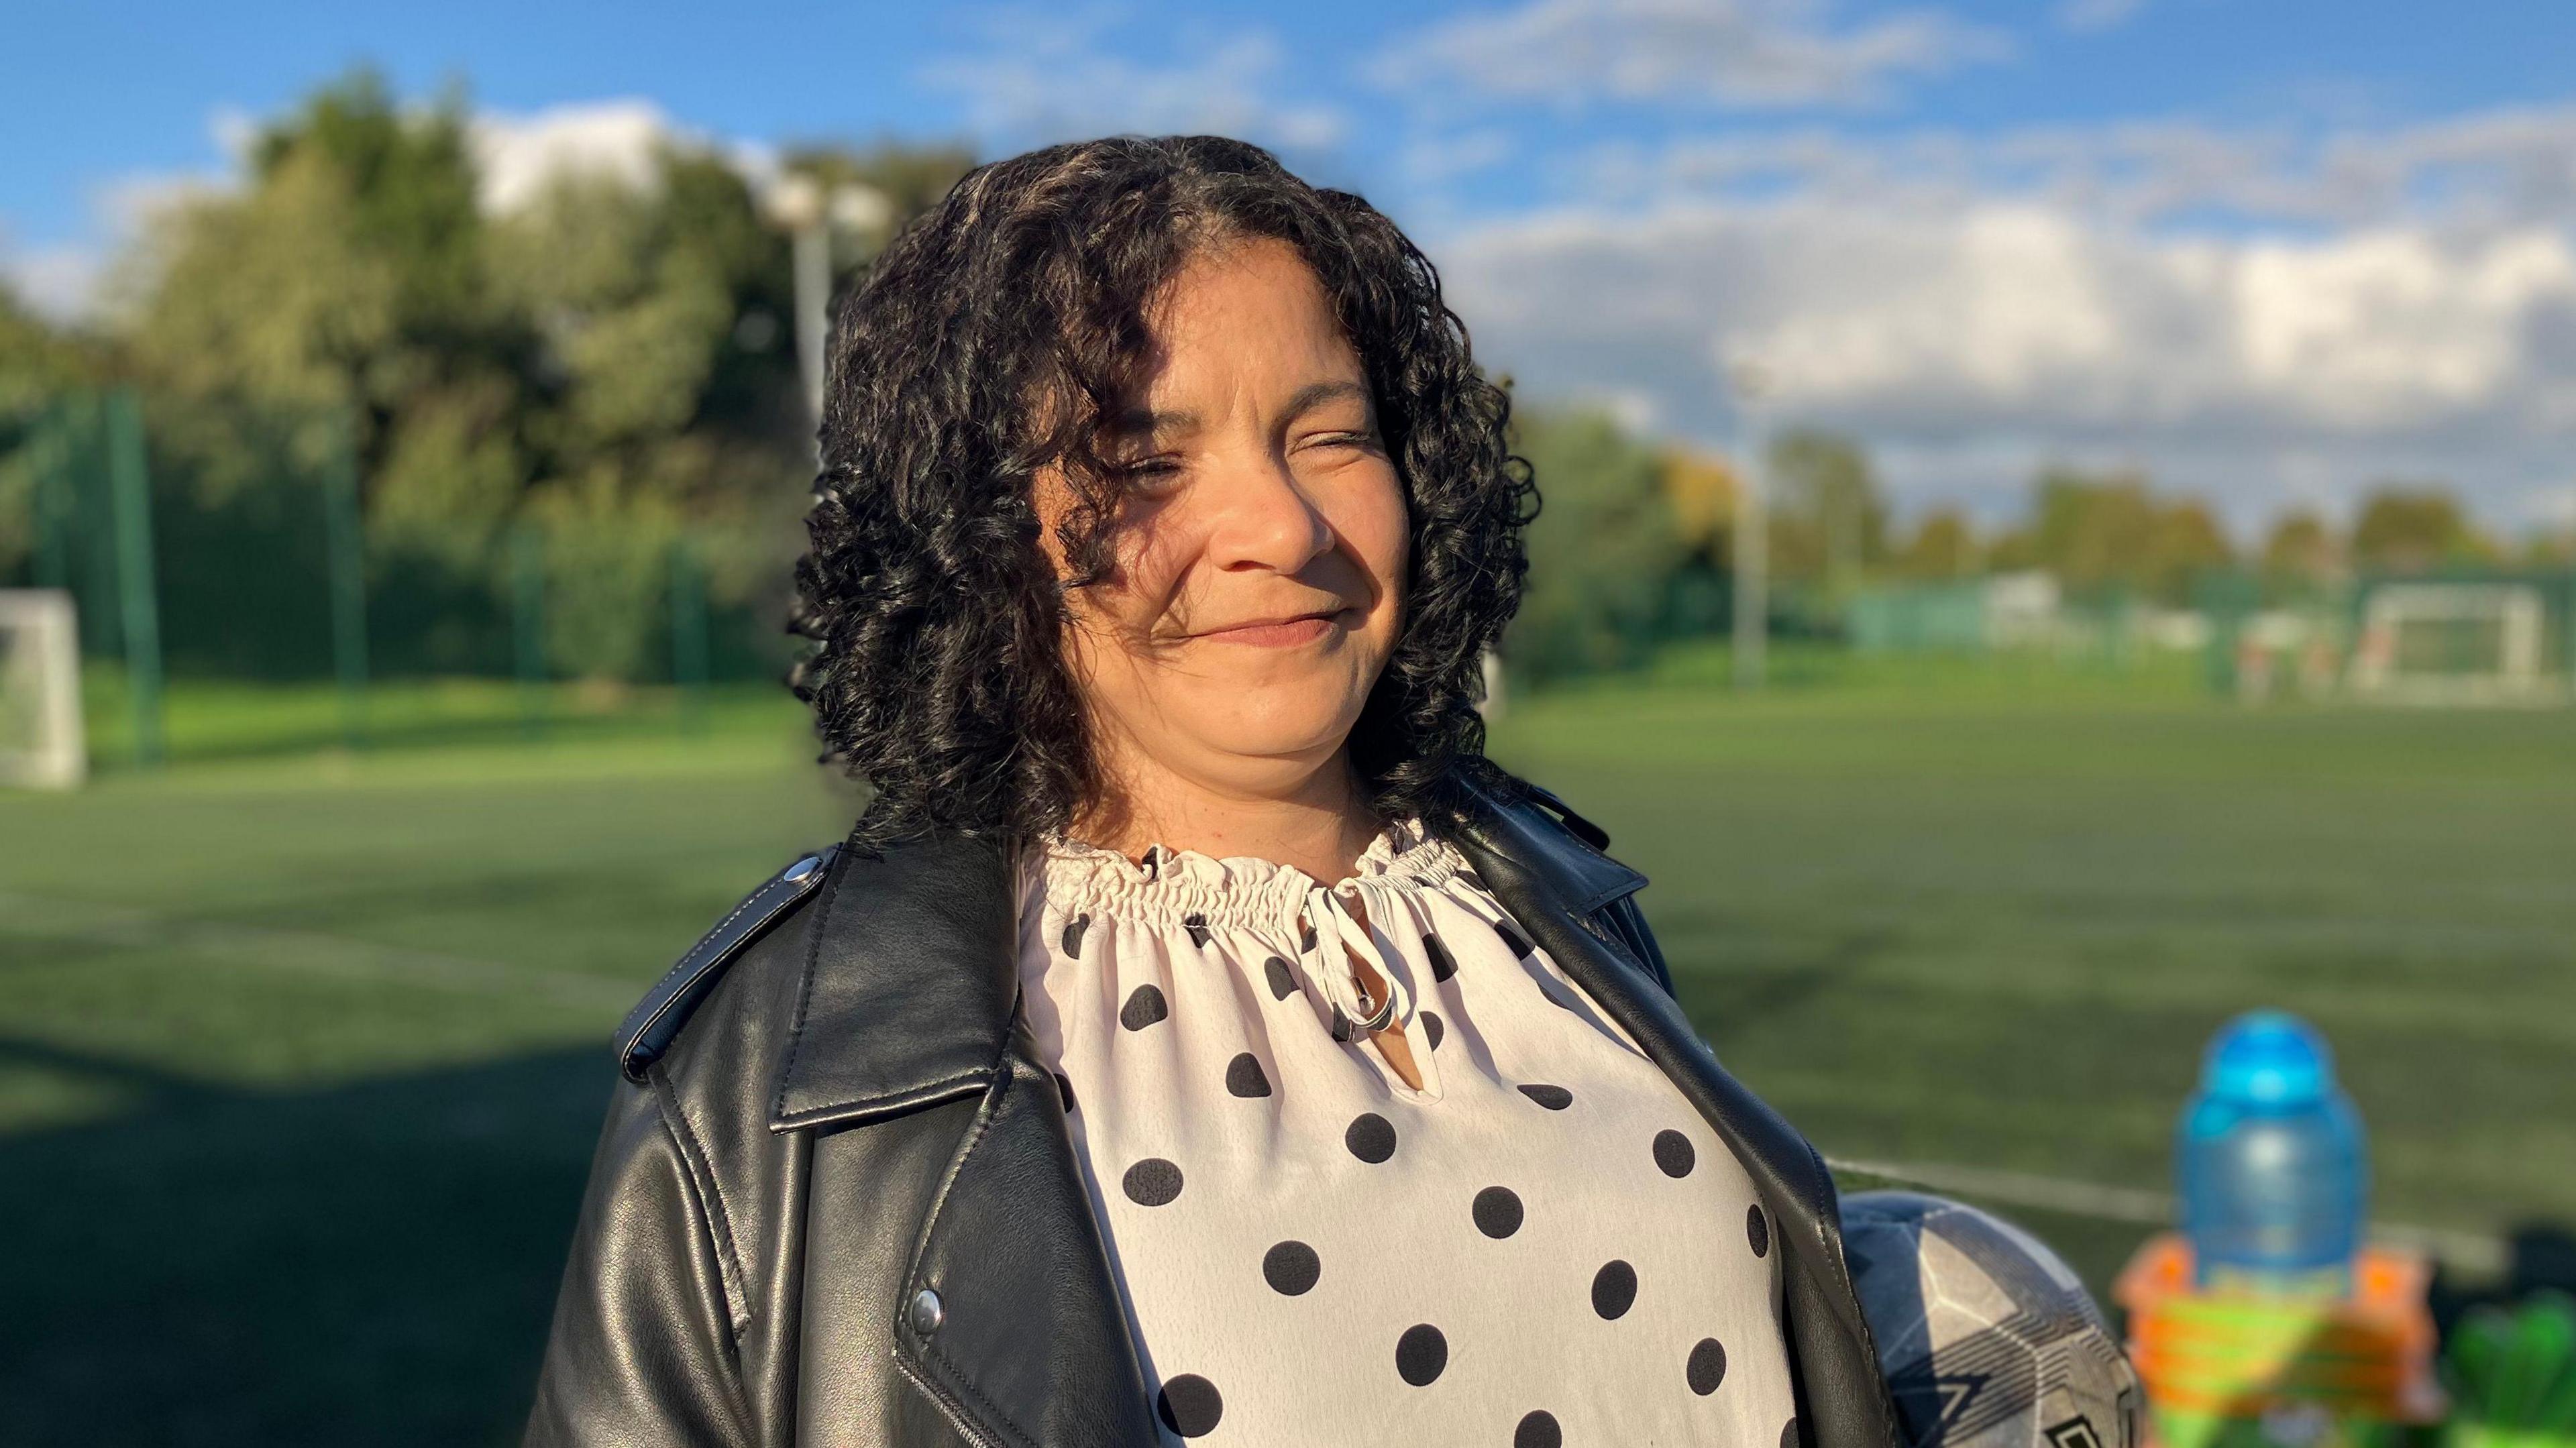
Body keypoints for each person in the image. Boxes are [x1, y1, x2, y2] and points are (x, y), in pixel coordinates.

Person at [521, 134, 1904, 1448]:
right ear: (978, 534)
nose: (1281, 530)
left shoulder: (1551, 904)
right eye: (1144, 462)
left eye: (1328, 437)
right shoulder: (777, 1072)